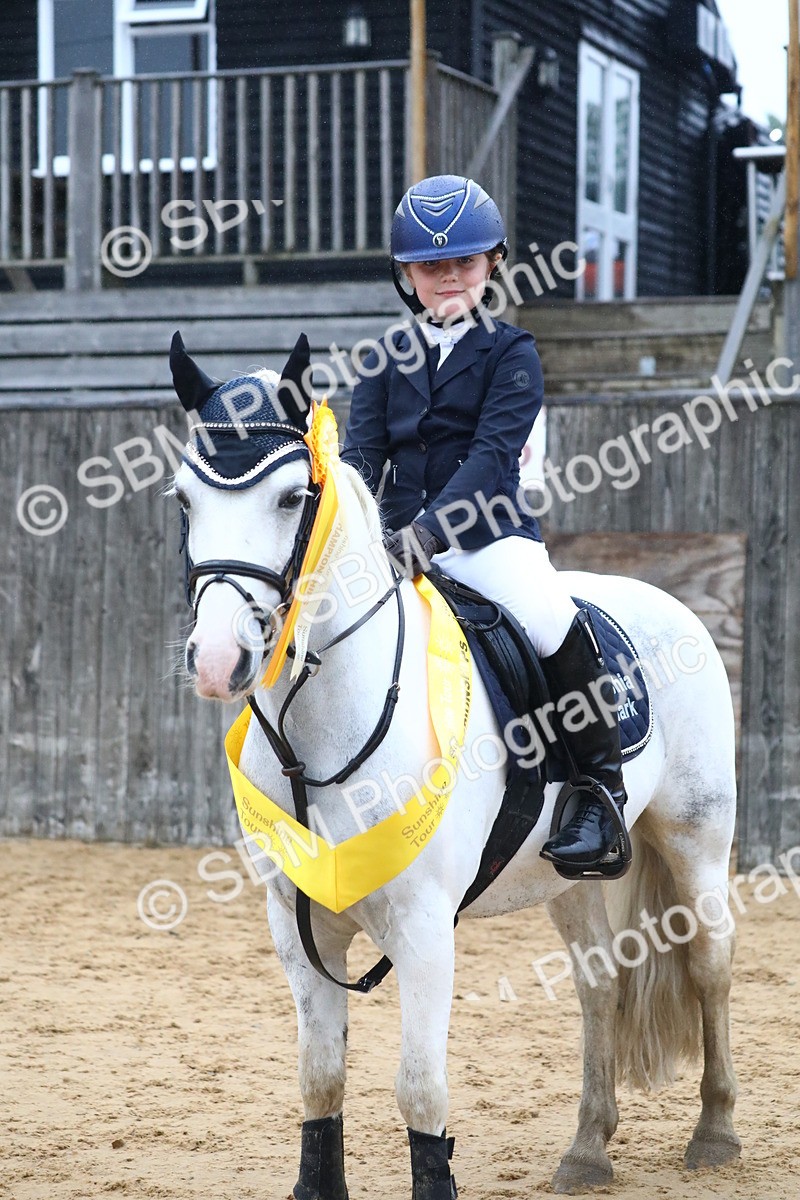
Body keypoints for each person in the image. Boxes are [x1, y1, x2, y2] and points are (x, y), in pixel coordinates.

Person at [340, 174, 628, 877]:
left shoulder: (512, 352)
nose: (448, 278)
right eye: (432, 267)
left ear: (492, 262)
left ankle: (598, 791)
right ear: (407, 275)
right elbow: (358, 461)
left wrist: (429, 535)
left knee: (551, 618)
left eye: (463, 263)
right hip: (396, 547)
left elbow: (492, 457)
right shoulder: (380, 362)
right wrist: (352, 535)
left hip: (489, 540)